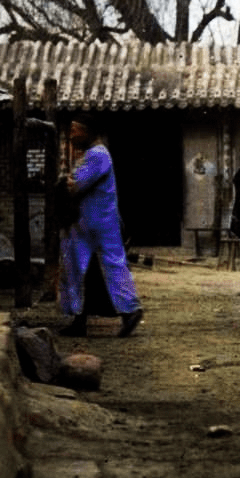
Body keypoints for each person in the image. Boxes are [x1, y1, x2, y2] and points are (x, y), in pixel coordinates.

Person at [58, 116, 143, 338]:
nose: (72, 135)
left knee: (87, 268)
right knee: (89, 270)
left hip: (96, 222)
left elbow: (75, 186)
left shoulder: (97, 156)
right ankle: (89, 318)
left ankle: (127, 311)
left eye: (76, 131)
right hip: (93, 221)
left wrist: (66, 182)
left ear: (88, 131)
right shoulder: (96, 155)